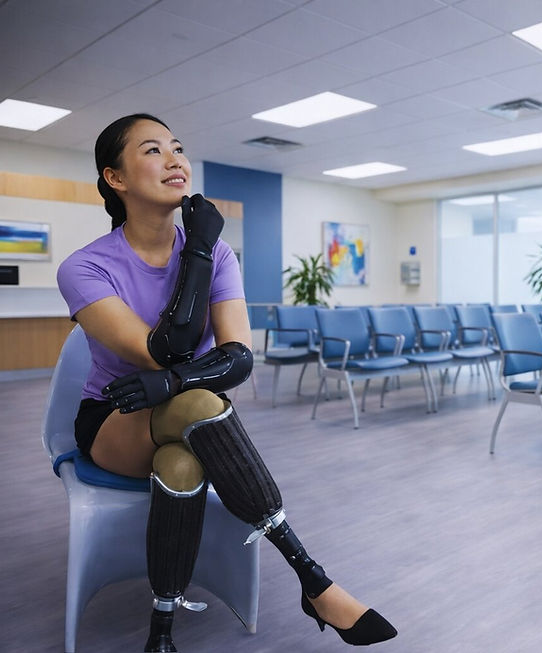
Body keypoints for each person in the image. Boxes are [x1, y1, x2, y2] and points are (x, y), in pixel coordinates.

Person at [56, 114, 397, 652]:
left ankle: (161, 631)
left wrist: (170, 381)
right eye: (153, 150)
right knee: (198, 401)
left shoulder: (218, 254)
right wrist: (197, 249)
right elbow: (163, 349)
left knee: (183, 463)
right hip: (115, 421)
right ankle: (312, 577)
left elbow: (238, 359)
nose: (175, 160)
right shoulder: (85, 267)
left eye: (178, 147)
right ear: (115, 178)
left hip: (183, 415)